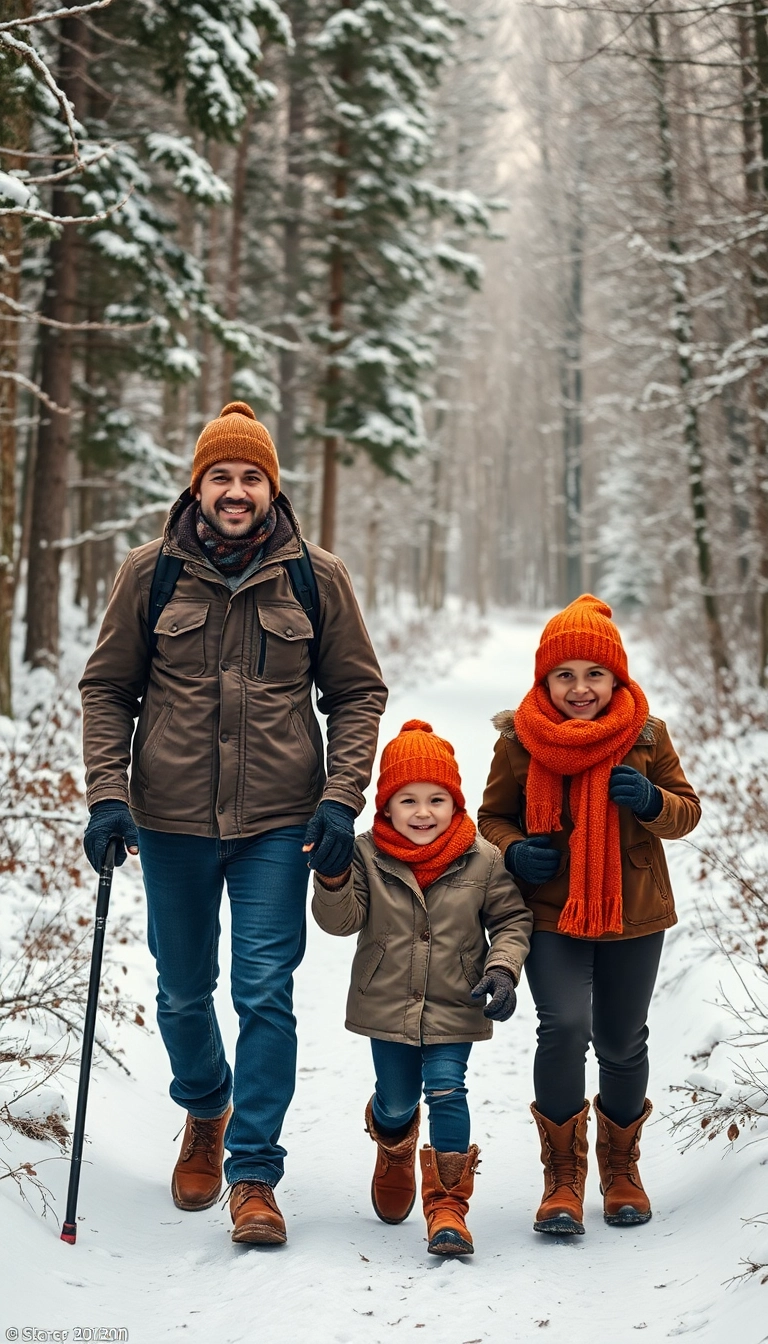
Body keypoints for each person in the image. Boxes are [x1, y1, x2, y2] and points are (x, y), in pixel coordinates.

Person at [79, 401, 387, 1244]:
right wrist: (108, 793)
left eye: (252, 476)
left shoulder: (315, 577)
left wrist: (340, 798)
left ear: (272, 488)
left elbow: (357, 692)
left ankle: (253, 1173)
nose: (237, 490)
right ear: (199, 485)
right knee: (181, 991)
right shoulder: (152, 573)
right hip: (171, 820)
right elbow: (108, 689)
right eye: (222, 475)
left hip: (278, 824)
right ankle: (206, 1107)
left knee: (265, 996)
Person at [478, 594, 700, 1236]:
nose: (580, 688)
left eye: (594, 674)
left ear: (617, 677)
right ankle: (562, 1179)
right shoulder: (519, 740)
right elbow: (489, 818)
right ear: (544, 680)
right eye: (564, 675)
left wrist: (653, 799)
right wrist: (516, 850)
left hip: (633, 911)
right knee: (565, 1027)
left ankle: (622, 1170)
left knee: (622, 1040)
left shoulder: (648, 734)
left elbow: (687, 811)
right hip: (550, 911)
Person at [311, 719, 533, 1257]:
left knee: (447, 1089)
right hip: (385, 1003)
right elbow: (339, 923)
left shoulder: (483, 858)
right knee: (399, 1098)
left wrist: (502, 969)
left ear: (455, 802)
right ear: (384, 806)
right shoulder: (365, 854)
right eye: (407, 800)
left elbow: (511, 919)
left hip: (458, 1001)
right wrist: (334, 877)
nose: (423, 812)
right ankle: (392, 1141)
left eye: (437, 799)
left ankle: (449, 1208)